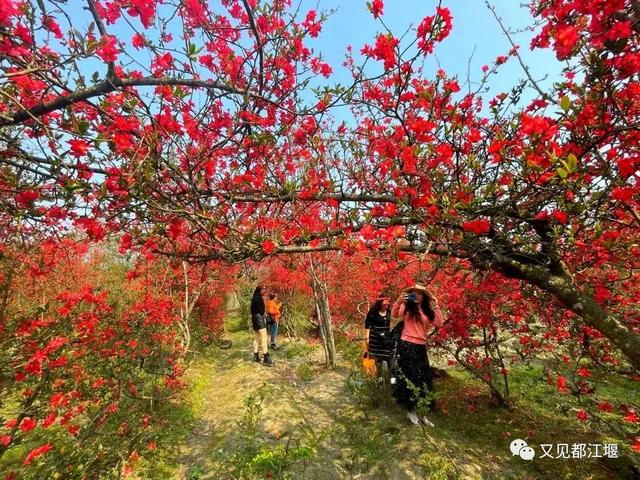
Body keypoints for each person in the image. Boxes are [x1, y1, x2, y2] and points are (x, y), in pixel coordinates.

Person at [391, 283, 444, 426]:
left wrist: (436, 304)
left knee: (424, 379)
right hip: (406, 345)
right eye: (414, 293)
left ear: (424, 296)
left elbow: (439, 323)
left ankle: (423, 412)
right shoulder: (407, 306)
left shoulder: (427, 310)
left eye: (420, 293)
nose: (417, 296)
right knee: (410, 378)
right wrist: (399, 301)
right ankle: (411, 411)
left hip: (421, 347)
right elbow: (395, 315)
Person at [364, 292, 393, 372]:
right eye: (384, 305)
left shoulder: (388, 311)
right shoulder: (373, 311)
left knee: (391, 361)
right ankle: (380, 381)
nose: (386, 306)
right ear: (379, 304)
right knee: (378, 363)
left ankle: (392, 381)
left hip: (385, 340)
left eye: (387, 305)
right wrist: (366, 338)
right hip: (375, 341)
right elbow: (367, 324)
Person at [250, 285, 273, 366]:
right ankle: (266, 357)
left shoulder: (253, 298)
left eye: (264, 289)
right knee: (264, 337)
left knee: (256, 338)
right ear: (259, 290)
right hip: (259, 319)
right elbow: (262, 310)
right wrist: (264, 314)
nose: (264, 290)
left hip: (254, 319)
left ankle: (255, 356)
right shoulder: (259, 298)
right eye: (263, 289)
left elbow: (252, 310)